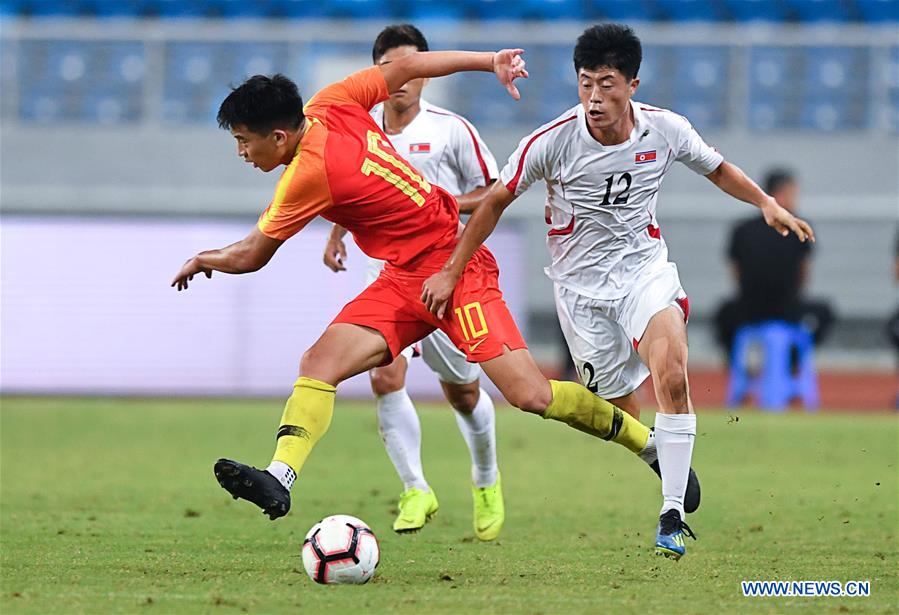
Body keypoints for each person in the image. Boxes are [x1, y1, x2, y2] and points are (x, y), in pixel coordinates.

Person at [170, 47, 697, 545]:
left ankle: (647, 444)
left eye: (245, 140)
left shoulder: (307, 175)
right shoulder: (330, 101)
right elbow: (413, 65)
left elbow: (252, 255)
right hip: (403, 277)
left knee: (530, 396)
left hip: (455, 265)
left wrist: (203, 257)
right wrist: (488, 60)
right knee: (319, 362)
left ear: (280, 137)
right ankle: (280, 478)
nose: (242, 152)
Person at [419, 24, 814, 560]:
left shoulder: (665, 129)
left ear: (632, 83)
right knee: (618, 408)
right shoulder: (551, 141)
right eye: (585, 84)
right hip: (580, 293)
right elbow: (493, 202)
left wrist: (765, 202)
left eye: (606, 84)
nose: (595, 97)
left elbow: (717, 168)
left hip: (642, 272)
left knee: (672, 367)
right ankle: (655, 450)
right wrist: (450, 269)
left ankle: (671, 513)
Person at [321, 25, 503, 540]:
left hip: (442, 271)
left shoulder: (451, 130)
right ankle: (415, 487)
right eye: (391, 69)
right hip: (384, 269)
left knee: (463, 393)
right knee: (385, 375)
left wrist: (436, 201)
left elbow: (490, 193)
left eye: (413, 68)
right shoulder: (359, 127)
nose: (402, 80)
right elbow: (352, 188)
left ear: (425, 72)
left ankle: (486, 480)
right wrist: (336, 234)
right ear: (376, 74)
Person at [714, 169, 834, 362]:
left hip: (748, 309)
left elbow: (735, 271)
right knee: (825, 312)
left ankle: (736, 364)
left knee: (722, 315)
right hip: (788, 310)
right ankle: (792, 361)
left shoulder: (741, 229)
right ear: (781, 194)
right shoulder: (800, 227)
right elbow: (804, 273)